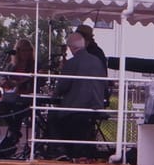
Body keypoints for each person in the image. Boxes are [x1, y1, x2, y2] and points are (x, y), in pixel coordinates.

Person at [43, 28, 109, 157]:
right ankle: (74, 150)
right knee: (67, 118)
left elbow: (62, 87)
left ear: (71, 47)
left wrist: (53, 93)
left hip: (77, 108)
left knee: (52, 116)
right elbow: (104, 84)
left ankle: (59, 150)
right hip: (96, 107)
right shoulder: (98, 61)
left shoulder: (72, 63)